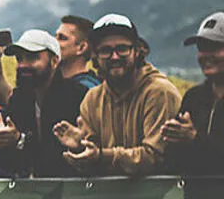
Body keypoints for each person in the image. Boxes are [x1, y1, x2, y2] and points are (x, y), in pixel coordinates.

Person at [53, 14, 181, 177]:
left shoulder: (159, 93)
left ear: (136, 51)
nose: (114, 57)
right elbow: (93, 159)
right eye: (106, 51)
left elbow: (153, 158)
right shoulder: (93, 99)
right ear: (96, 57)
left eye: (122, 48)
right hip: (110, 198)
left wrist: (101, 156)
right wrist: (80, 147)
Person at [0, 25, 99, 178]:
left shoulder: (78, 97)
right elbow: (14, 163)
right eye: (19, 59)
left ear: (54, 61)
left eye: (32, 58)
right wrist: (4, 143)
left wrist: (19, 140)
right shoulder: (20, 99)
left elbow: (56, 158)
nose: (23, 65)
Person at [163, 11, 224, 176]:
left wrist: (194, 139)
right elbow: (172, 162)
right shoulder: (193, 98)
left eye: (214, 47)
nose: (205, 55)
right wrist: (172, 139)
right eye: (201, 48)